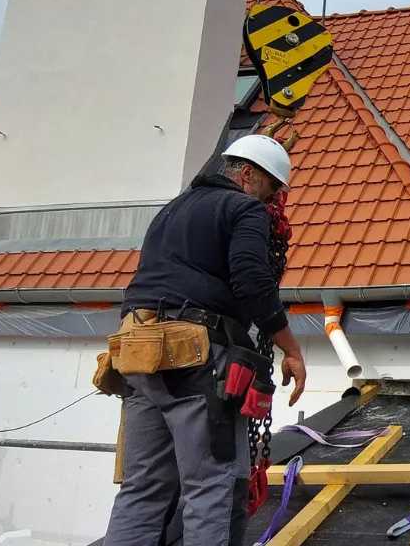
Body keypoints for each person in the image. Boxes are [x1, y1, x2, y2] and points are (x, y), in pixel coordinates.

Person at [103, 134, 308, 546]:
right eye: (271, 188)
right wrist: (291, 349)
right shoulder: (243, 207)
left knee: (143, 487)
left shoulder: (171, 210)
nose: (273, 200)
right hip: (192, 355)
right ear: (247, 175)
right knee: (212, 487)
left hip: (136, 350)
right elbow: (252, 281)